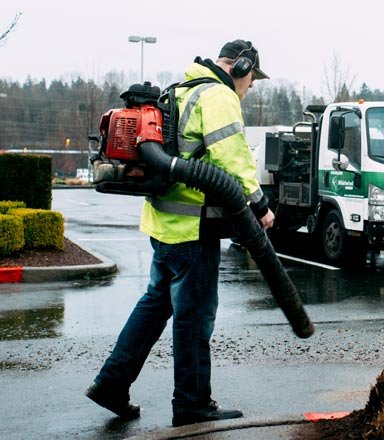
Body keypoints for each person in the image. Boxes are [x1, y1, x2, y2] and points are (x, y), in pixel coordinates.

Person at [85, 39, 274, 427]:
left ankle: (111, 383)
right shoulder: (218, 95)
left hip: (164, 225)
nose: (250, 87)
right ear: (241, 67)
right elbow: (232, 156)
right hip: (193, 228)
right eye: (251, 79)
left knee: (155, 306)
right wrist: (259, 205)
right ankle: (191, 403)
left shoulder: (180, 89)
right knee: (194, 317)